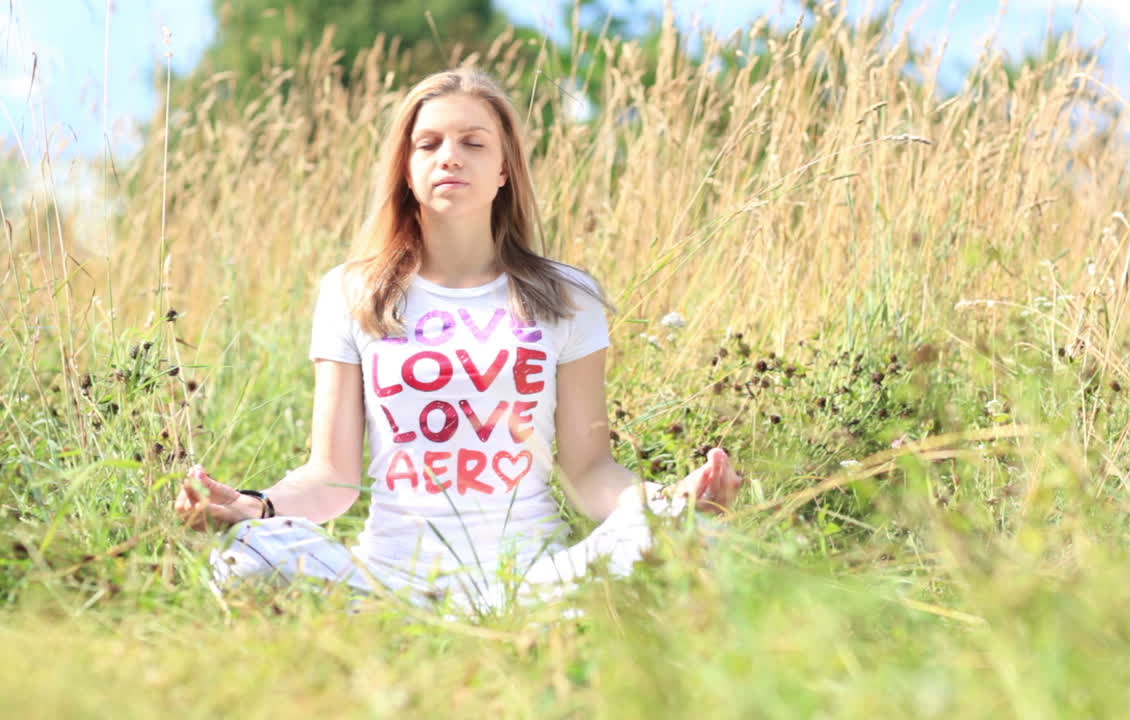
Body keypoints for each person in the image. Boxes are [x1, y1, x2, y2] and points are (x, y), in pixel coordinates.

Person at [172, 67, 743, 613]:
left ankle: (560, 613)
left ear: (504, 170)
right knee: (247, 553)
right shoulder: (353, 291)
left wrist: (670, 507)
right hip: (387, 577)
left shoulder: (567, 294)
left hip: (532, 578)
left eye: (474, 142)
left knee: (684, 542)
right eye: (429, 144)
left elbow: (590, 469)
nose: (450, 156)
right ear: (406, 169)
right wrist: (254, 507)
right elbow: (332, 477)